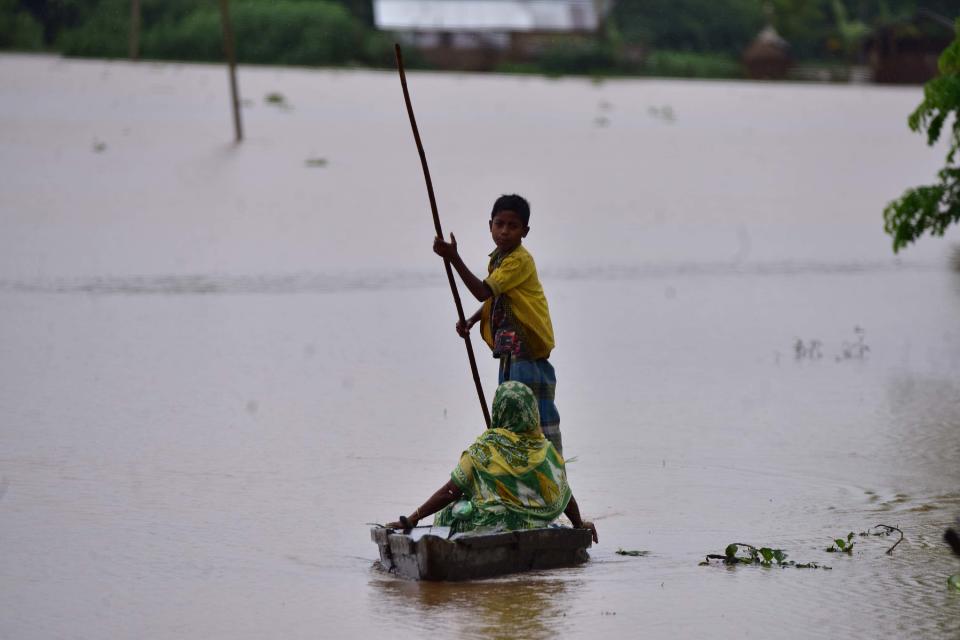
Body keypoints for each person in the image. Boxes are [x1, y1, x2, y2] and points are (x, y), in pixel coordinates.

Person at [432, 194, 563, 453]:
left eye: (512, 226)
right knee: (510, 418)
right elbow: (496, 299)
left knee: (535, 422)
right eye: (499, 224)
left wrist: (454, 258)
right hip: (510, 353)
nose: (504, 232)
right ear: (490, 225)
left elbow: (483, 291)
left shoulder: (518, 260)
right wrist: (472, 319)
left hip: (527, 355)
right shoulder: (498, 259)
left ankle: (551, 478)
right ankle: (513, 470)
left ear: (525, 231)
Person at [386, 381, 597, 542]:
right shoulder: (545, 451)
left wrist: (414, 518)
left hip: (487, 525)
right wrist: (578, 524)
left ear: (499, 410)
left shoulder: (485, 447)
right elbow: (563, 493)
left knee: (450, 513)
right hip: (531, 526)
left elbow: (451, 491)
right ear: (532, 411)